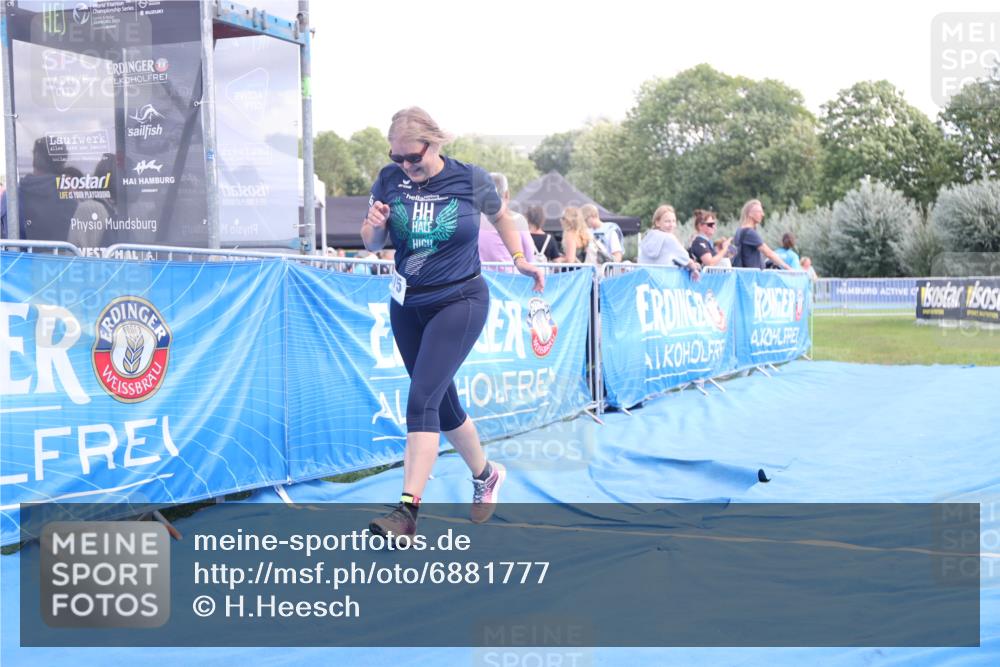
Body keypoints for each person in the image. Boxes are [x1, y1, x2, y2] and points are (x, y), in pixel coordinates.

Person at [360, 107, 544, 542]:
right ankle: (485, 474)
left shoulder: (470, 178)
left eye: (413, 156)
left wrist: (519, 259)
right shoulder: (389, 179)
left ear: (434, 143)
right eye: (397, 157)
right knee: (441, 405)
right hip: (407, 303)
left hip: (460, 299)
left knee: (420, 400)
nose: (405, 165)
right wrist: (373, 228)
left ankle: (406, 513)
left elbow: (503, 216)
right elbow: (372, 244)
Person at [477, 173, 535, 264]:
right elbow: (530, 254)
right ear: (507, 194)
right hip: (509, 276)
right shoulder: (517, 219)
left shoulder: (473, 220)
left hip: (481, 275)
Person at [638, 204, 700, 279]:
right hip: (664, 281)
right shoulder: (669, 238)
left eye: (673, 221)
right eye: (667, 221)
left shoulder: (647, 237)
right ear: (657, 222)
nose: (671, 225)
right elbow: (686, 259)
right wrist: (695, 268)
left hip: (644, 279)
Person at [731, 199, 791, 270]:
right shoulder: (750, 233)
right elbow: (769, 253)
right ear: (750, 213)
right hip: (751, 276)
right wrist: (788, 268)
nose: (762, 214)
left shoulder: (739, 231)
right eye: (759, 212)